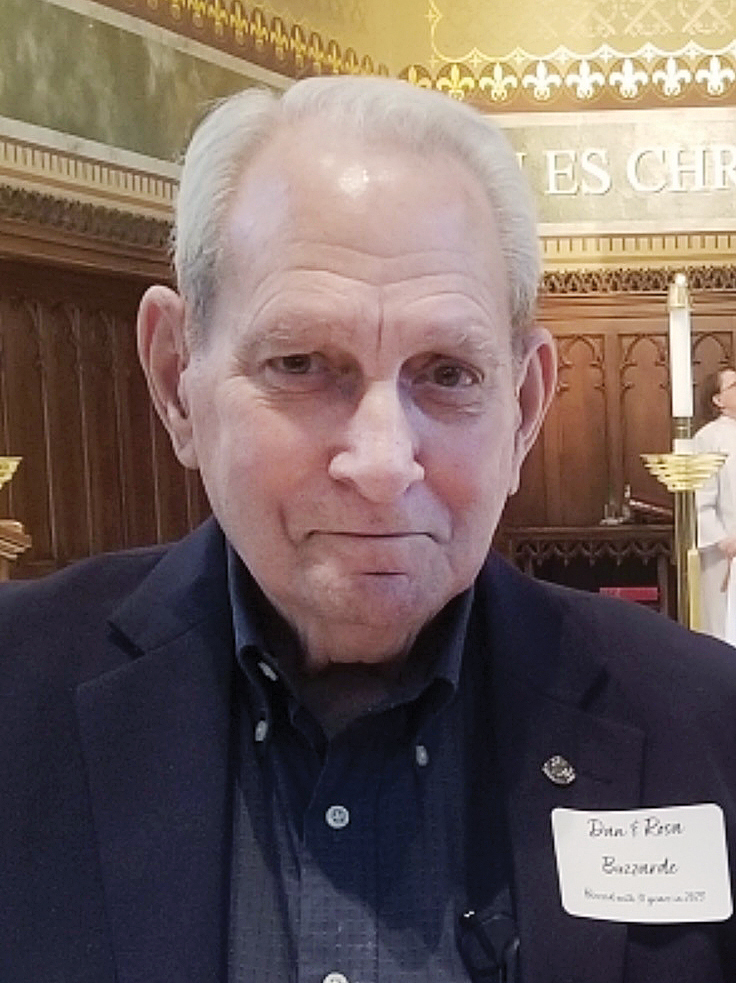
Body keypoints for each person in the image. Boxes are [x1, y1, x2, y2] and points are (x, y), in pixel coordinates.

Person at [2, 77, 736, 983]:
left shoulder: (706, 726)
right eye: (301, 363)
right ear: (175, 378)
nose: (384, 463)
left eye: (448, 373)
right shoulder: (16, 692)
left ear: (525, 404)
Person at [694, 368, 736, 644]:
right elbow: (701, 499)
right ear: (717, 400)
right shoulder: (708, 438)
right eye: (734, 385)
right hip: (726, 554)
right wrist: (724, 540)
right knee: (723, 631)